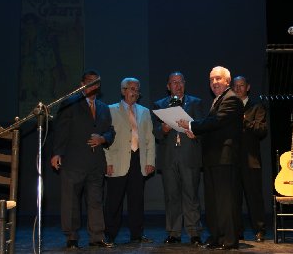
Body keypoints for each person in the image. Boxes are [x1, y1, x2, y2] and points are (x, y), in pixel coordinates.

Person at [177, 66, 244, 250]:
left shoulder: (232, 99)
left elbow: (216, 122)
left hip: (224, 157)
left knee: (225, 200)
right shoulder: (218, 100)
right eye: (211, 79)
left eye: (218, 79)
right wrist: (196, 134)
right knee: (213, 201)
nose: (214, 82)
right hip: (213, 157)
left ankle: (229, 239)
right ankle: (217, 236)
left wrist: (191, 125)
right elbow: (214, 129)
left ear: (227, 82)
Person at [50, 70, 115, 249]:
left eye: (96, 82)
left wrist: (102, 138)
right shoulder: (70, 103)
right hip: (74, 161)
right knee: (71, 201)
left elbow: (110, 131)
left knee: (95, 201)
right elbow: (61, 131)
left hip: (95, 163)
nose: (93, 85)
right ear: (81, 84)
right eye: (89, 82)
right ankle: (71, 237)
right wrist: (57, 153)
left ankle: (97, 237)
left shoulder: (103, 107)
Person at [152, 72, 205, 245]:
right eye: (174, 82)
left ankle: (194, 232)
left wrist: (194, 132)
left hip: (189, 155)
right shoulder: (160, 104)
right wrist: (164, 129)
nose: (177, 85)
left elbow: (203, 127)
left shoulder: (195, 102)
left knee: (191, 196)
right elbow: (155, 132)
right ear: (168, 86)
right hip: (169, 157)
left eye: (180, 82)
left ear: (184, 84)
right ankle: (174, 232)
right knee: (172, 196)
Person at [104, 77, 156, 245]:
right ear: (123, 91)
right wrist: (108, 162)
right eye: (131, 88)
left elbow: (150, 138)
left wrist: (150, 161)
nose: (134, 91)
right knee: (114, 201)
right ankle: (110, 235)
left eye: (137, 89)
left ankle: (137, 234)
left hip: (138, 159)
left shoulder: (144, 111)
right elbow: (106, 139)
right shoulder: (110, 110)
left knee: (136, 200)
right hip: (118, 160)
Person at [233, 76, 268, 242]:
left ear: (248, 87)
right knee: (234, 198)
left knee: (254, 197)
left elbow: (262, 129)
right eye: (236, 86)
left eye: (241, 86)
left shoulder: (256, 107)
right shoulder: (230, 107)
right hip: (232, 160)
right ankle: (237, 231)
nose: (239, 89)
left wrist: (245, 121)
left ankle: (260, 230)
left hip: (251, 160)